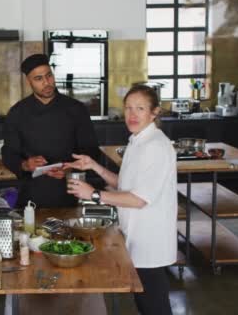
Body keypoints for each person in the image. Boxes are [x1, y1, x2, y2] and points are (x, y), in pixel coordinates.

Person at [65, 85, 177, 315]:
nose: (132, 115)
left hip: (150, 241)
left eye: (140, 108)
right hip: (136, 236)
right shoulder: (138, 141)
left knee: (154, 307)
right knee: (146, 304)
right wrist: (94, 166)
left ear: (154, 112)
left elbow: (138, 199)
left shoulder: (156, 146)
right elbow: (125, 184)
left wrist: (93, 195)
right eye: (128, 108)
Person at [2, 53, 100, 208]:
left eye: (49, 76)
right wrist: (26, 165)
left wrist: (70, 168)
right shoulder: (17, 113)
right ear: (29, 81)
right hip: (31, 195)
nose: (46, 83)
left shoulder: (76, 109)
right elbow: (8, 153)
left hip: (70, 193)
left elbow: (92, 151)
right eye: (39, 79)